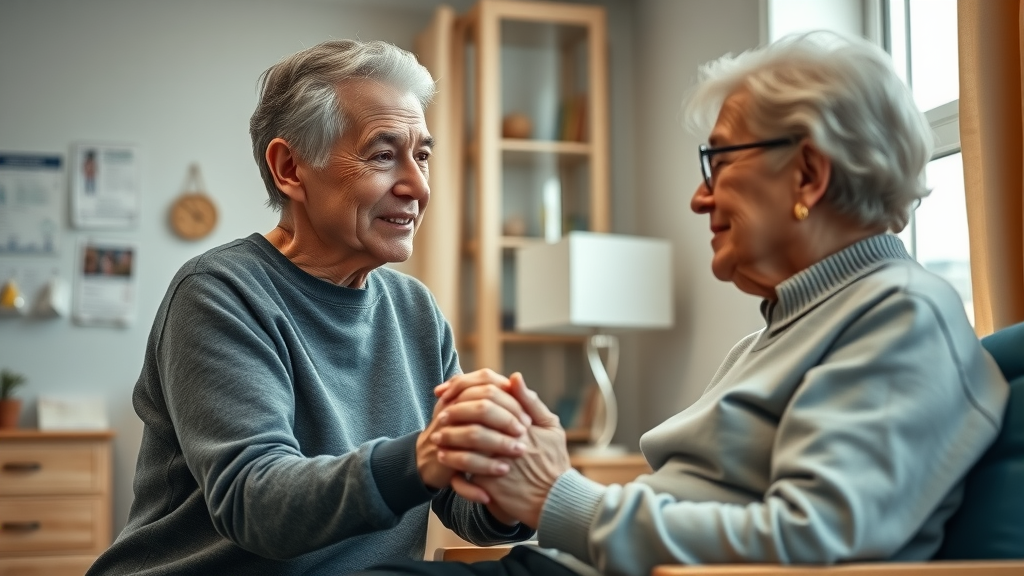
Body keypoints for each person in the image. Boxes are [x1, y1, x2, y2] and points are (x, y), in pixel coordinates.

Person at [353, 31, 1010, 576]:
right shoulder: (780, 333)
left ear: (808, 174)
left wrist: (560, 495)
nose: (700, 198)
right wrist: (539, 473)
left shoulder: (901, 316)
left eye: (718, 162)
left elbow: (817, 542)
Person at [86, 40, 536, 576]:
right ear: (290, 168)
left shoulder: (415, 310)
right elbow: (257, 505)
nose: (418, 186)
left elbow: (459, 501)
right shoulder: (219, 294)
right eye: (383, 154)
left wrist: (508, 478)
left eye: (422, 156)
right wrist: (425, 455)